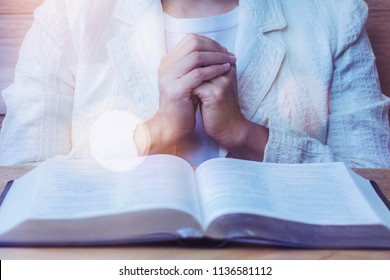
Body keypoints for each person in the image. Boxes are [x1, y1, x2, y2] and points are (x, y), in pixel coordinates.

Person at [0, 0, 389, 167]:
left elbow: (373, 185)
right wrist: (153, 132)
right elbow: (20, 183)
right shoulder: (69, 18)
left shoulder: (334, 17)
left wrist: (248, 136)